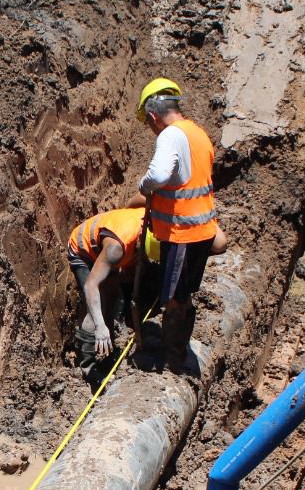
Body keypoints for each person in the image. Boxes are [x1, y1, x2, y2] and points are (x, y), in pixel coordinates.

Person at [124, 78, 228, 368]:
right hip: (202, 230)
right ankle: (178, 354)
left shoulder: (170, 135)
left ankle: (172, 361)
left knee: (174, 301)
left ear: (154, 116)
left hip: (184, 234)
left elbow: (158, 176)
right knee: (183, 294)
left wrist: (143, 186)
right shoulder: (198, 133)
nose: (152, 129)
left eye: (149, 123)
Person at [66, 206, 147, 368]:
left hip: (107, 248)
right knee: (97, 306)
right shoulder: (115, 249)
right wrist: (100, 326)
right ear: (139, 243)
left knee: (112, 297)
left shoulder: (155, 222)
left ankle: (107, 352)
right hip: (84, 250)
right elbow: (91, 286)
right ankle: (86, 365)